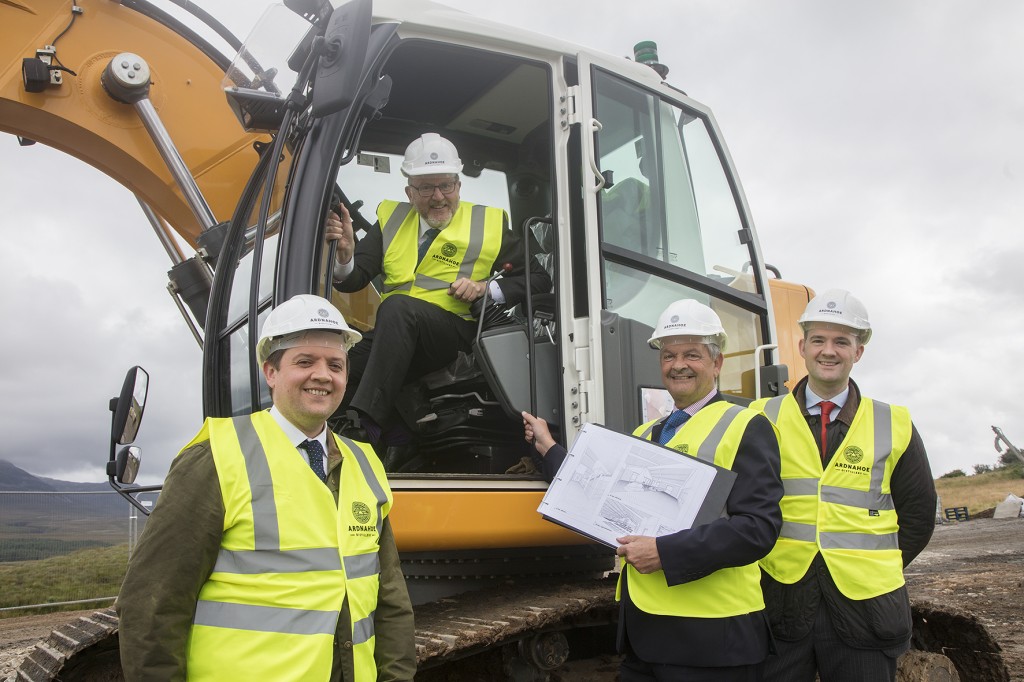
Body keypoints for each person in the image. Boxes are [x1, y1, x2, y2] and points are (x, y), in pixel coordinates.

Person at [116, 294, 416, 682]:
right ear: (270, 372)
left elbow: (389, 599)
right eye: (305, 362)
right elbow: (152, 603)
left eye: (335, 365)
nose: (323, 375)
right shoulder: (216, 457)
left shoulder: (364, 463)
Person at [523, 298, 783, 681]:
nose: (678, 365)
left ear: (717, 363)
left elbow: (759, 529)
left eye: (692, 354)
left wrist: (664, 552)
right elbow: (601, 493)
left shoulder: (746, 426)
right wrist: (549, 448)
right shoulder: (645, 435)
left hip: (712, 642)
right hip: (645, 638)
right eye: (668, 355)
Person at [750, 289, 936, 682]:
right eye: (818, 339)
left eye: (841, 342)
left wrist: (873, 568)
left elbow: (918, 515)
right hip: (779, 604)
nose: (828, 351)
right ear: (802, 346)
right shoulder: (760, 416)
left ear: (859, 352)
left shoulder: (894, 422)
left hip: (867, 612)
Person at [327, 133, 551, 449]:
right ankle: (392, 437)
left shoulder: (488, 223)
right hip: (397, 334)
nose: (438, 197)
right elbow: (354, 279)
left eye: (446, 186)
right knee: (336, 361)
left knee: (398, 308)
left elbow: (540, 279)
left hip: (454, 333)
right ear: (409, 191)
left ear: (458, 186)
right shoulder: (389, 219)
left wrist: (486, 289)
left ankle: (368, 425)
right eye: (427, 188)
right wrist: (345, 255)